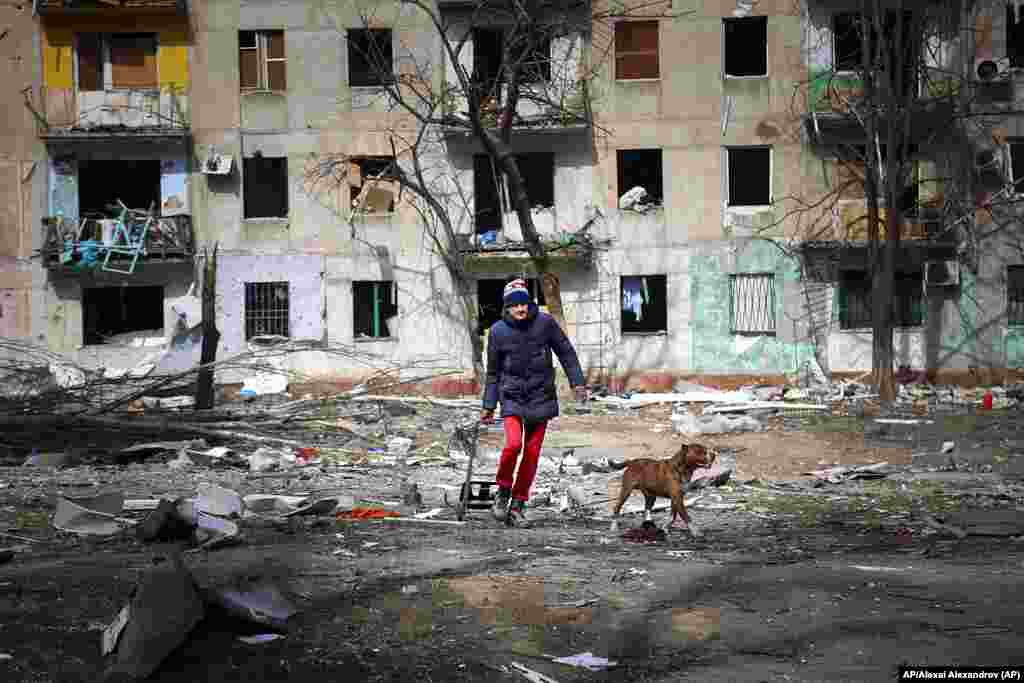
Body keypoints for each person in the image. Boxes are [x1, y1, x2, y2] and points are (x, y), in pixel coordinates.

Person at [481, 278, 587, 525]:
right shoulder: (497, 331)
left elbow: (566, 352)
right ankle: (503, 490)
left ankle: (517, 505)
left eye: (525, 304)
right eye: (515, 306)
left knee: (531, 453)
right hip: (512, 397)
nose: (521, 309)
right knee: (513, 445)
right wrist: (488, 405)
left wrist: (577, 383)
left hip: (541, 397)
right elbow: (494, 373)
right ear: (506, 308)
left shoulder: (545, 323)